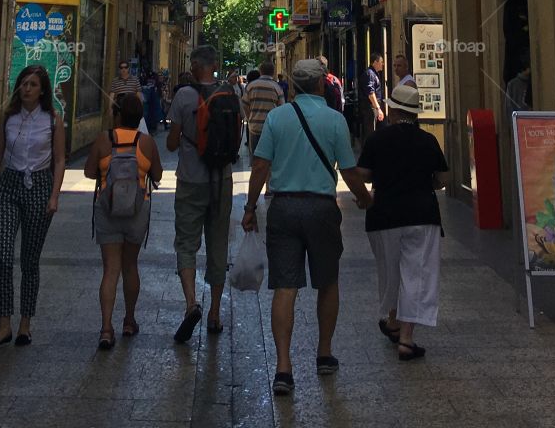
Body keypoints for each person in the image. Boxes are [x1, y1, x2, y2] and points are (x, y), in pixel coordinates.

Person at [242, 58, 371, 397]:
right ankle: (324, 353)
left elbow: (260, 166)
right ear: (320, 85)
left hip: (284, 208)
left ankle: (283, 368)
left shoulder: (277, 118)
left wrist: (250, 207)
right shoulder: (335, 120)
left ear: (294, 86)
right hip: (321, 209)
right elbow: (348, 170)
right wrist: (364, 198)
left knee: (285, 287)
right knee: (327, 281)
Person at [356, 82, 450, 360]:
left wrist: (375, 183)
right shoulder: (427, 140)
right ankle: (406, 338)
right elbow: (443, 179)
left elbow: (363, 173)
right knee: (416, 274)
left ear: (394, 110)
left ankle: (393, 321)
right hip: (422, 214)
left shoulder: (377, 139)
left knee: (390, 272)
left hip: (384, 215)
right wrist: (426, 183)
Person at [0, 65, 66, 350]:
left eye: (33, 84)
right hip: (8, 186)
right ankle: (4, 325)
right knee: (3, 257)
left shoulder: (53, 120)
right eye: (24, 83)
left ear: (42, 90)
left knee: (29, 260)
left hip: (39, 186)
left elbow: (60, 160)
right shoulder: (8, 117)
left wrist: (54, 195)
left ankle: (25, 324)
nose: (27, 88)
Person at [167, 45, 242, 342]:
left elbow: (171, 143)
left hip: (190, 180)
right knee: (218, 244)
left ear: (198, 65)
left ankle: (191, 304)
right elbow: (238, 135)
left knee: (186, 243)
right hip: (222, 180)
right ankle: (214, 313)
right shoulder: (229, 94)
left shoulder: (184, 96)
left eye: (192, 62)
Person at [84, 92, 163, 349]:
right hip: (137, 211)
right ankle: (129, 320)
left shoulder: (104, 139)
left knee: (110, 269)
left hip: (107, 209)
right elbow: (158, 174)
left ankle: (106, 328)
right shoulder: (146, 142)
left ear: (117, 115)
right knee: (130, 266)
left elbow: (89, 172)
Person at [242, 59, 284, 156]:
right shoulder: (277, 87)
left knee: (255, 157)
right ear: (273, 72)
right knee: (270, 158)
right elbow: (281, 109)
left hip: (254, 128)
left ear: (260, 71)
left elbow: (244, 104)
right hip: (271, 129)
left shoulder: (251, 86)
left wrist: (250, 119)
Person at [360, 53, 385, 142]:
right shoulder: (370, 74)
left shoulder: (375, 73)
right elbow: (371, 93)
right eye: (381, 62)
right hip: (371, 107)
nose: (383, 64)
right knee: (370, 132)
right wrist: (378, 108)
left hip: (374, 107)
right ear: (375, 62)